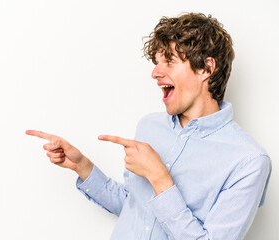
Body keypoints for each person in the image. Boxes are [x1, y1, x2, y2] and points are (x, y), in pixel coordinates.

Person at [26, 12, 271, 240]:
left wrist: (159, 177)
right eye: (156, 62)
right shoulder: (150, 127)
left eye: (169, 61)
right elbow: (133, 208)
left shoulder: (248, 162)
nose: (155, 73)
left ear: (206, 68)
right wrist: (83, 167)